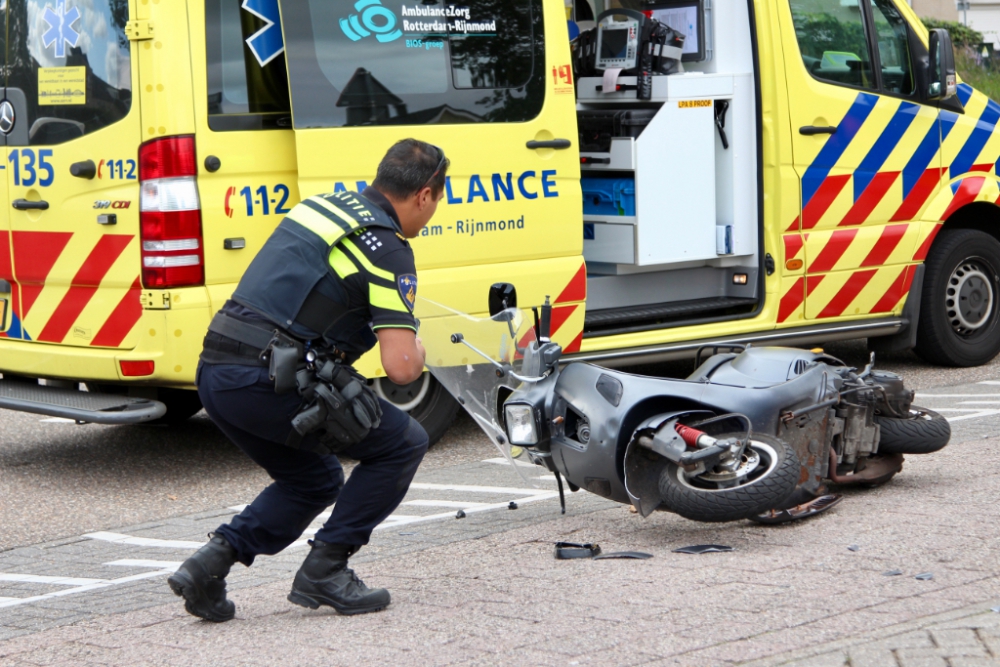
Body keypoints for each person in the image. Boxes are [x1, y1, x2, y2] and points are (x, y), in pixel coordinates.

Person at [168, 139, 448, 621]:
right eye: (437, 200)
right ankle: (327, 568)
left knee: (313, 479)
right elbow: (402, 367)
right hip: (268, 380)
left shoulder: (323, 206)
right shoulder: (388, 250)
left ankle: (209, 565)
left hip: (217, 372)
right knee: (403, 443)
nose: (433, 212)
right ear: (423, 195)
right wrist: (418, 344)